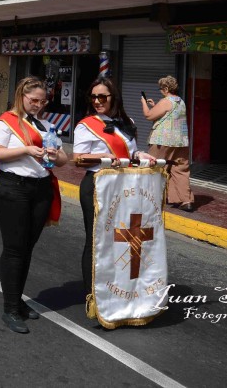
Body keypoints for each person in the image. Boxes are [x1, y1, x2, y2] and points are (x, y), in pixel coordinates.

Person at [0, 77, 66, 333]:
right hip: (13, 189)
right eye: (33, 100)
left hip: (40, 190)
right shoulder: (7, 121)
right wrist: (26, 150)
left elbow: (64, 159)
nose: (38, 105)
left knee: (27, 248)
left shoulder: (47, 125)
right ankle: (10, 308)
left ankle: (18, 300)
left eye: (42, 101)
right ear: (22, 96)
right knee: (14, 249)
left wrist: (56, 155)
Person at [72, 77, 155, 298]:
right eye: (94, 97)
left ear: (113, 98)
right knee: (96, 240)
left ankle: (117, 289)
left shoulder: (127, 121)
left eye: (102, 97)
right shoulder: (86, 125)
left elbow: (131, 152)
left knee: (120, 240)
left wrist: (140, 155)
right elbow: (78, 158)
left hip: (124, 186)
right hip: (98, 185)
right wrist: (103, 156)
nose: (97, 101)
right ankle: (93, 295)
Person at [143, 75, 193, 212]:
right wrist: (155, 106)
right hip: (181, 141)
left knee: (153, 167)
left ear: (166, 88)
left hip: (162, 141)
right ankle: (185, 200)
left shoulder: (166, 101)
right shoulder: (180, 101)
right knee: (180, 170)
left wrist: (143, 102)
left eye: (161, 89)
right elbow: (170, 115)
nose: (160, 91)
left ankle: (150, 198)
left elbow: (148, 115)